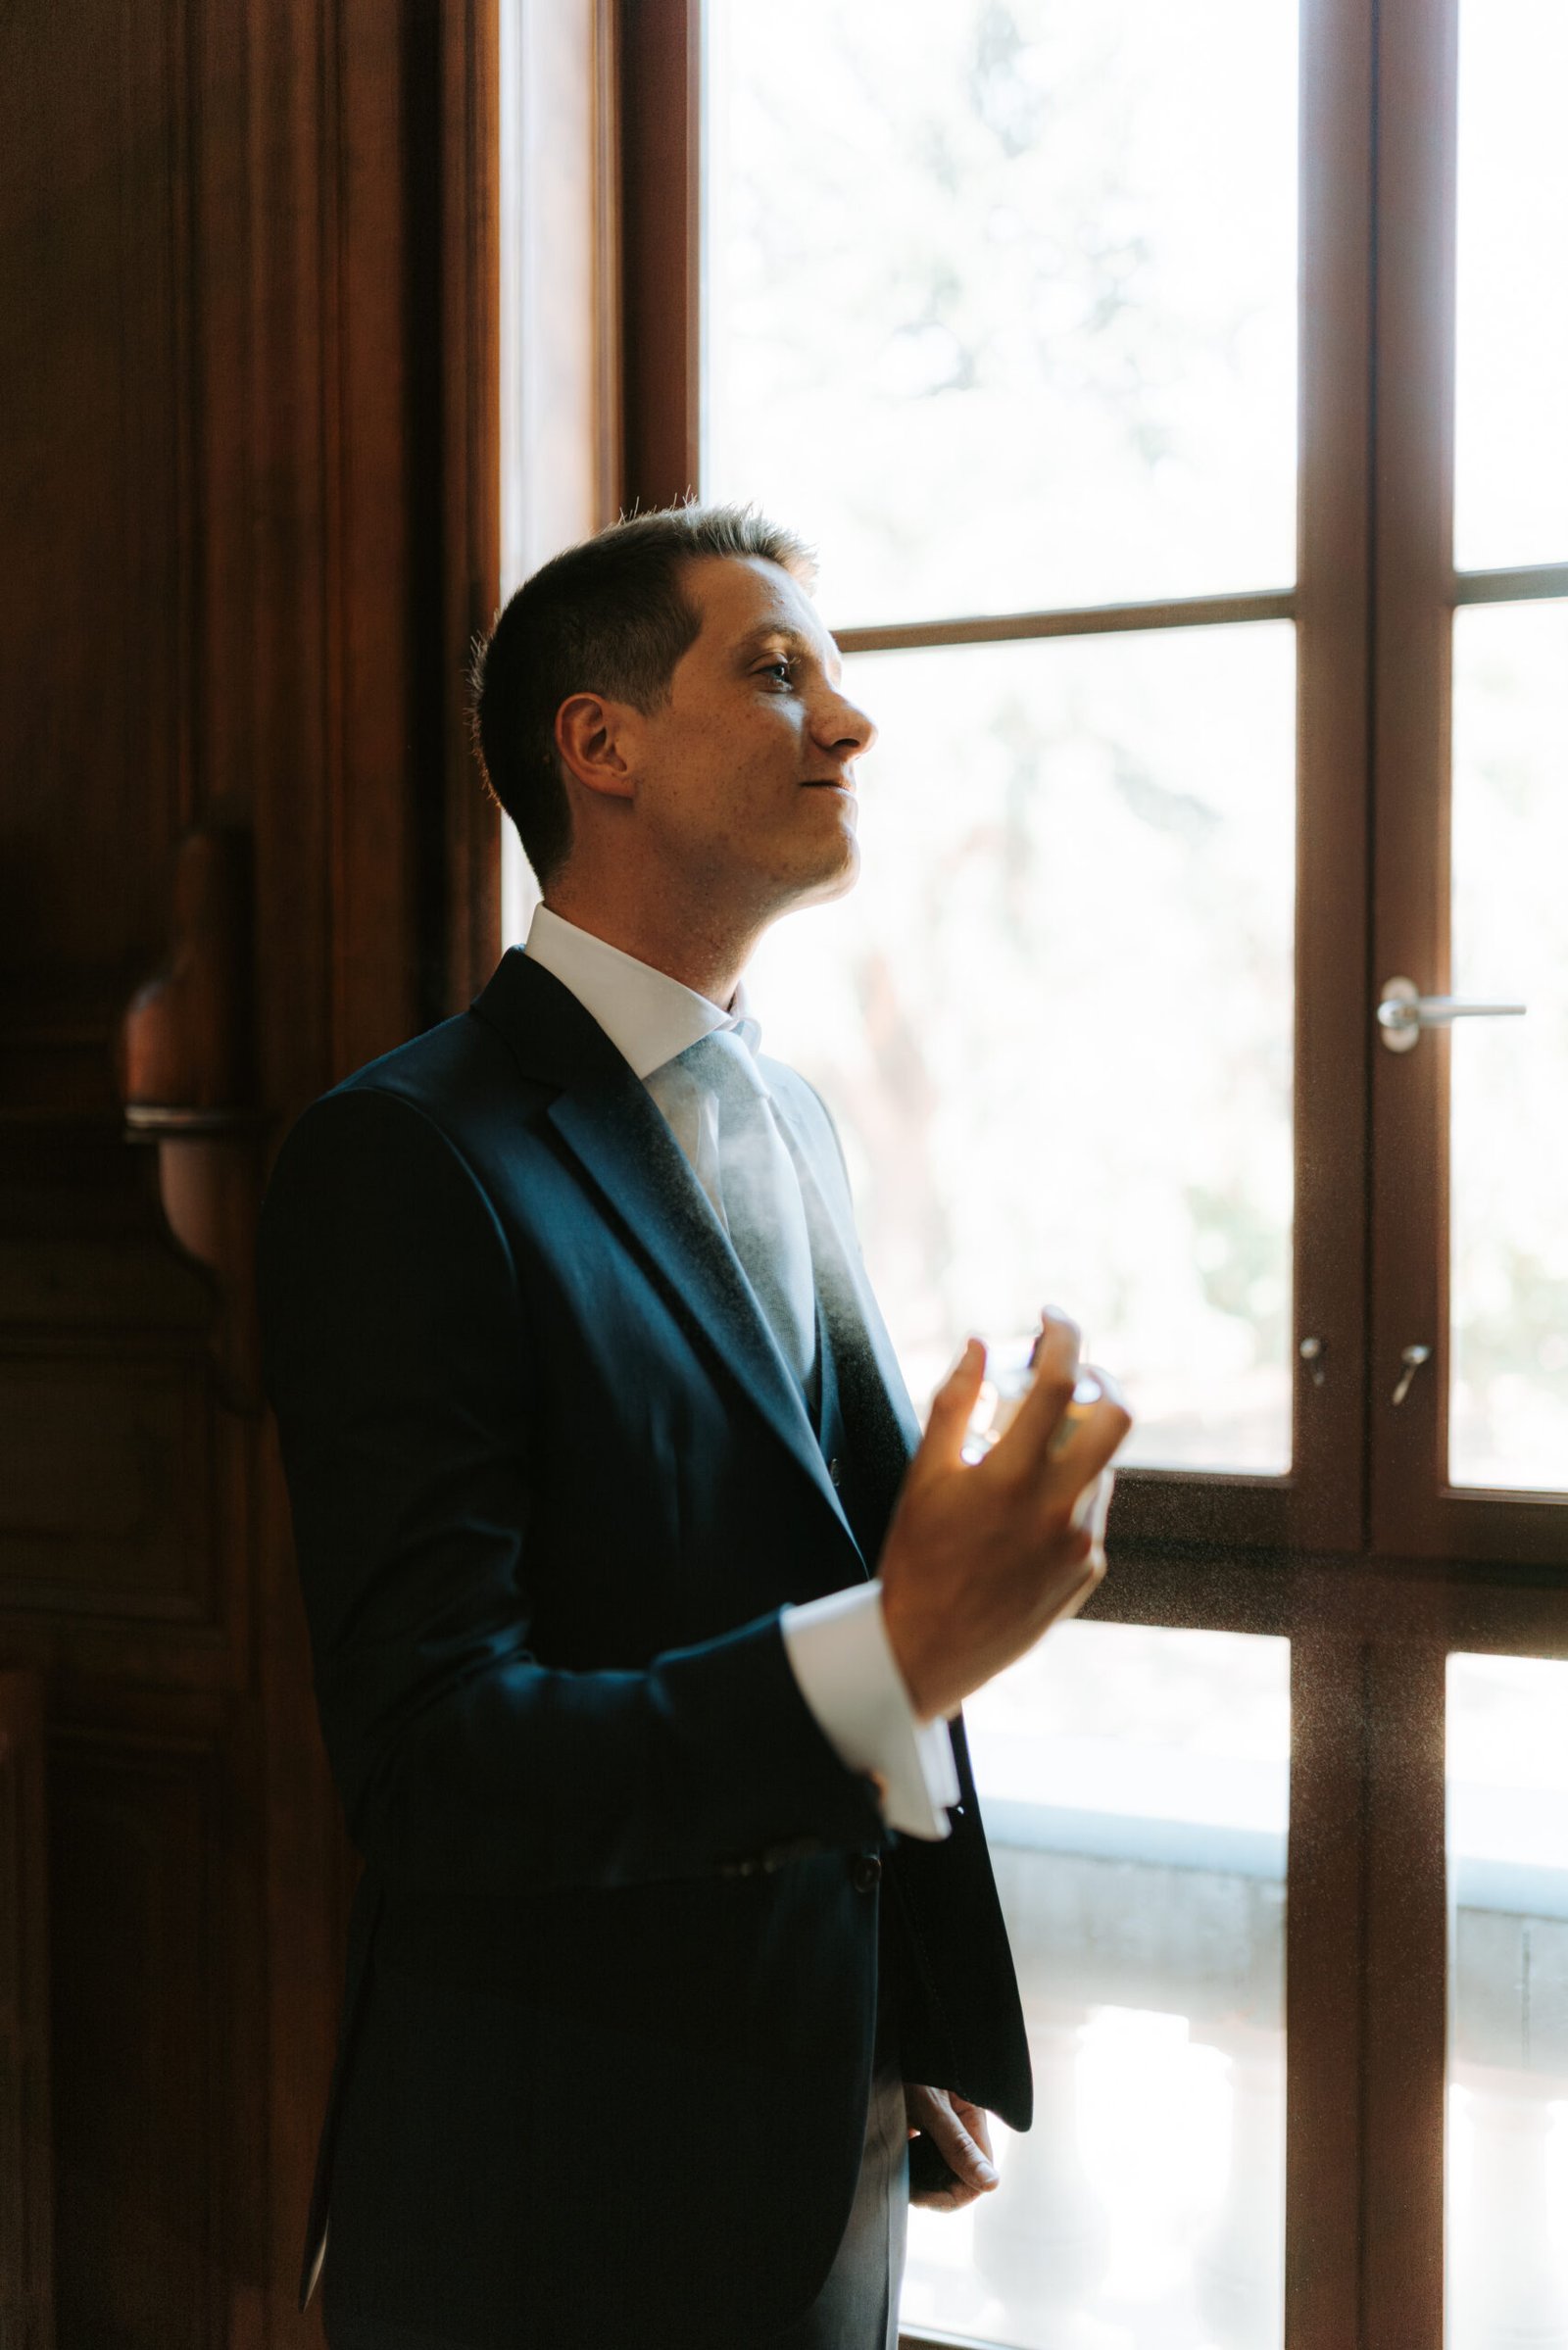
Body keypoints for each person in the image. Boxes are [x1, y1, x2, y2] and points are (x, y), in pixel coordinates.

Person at [258, 504, 1131, 2350]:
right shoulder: (403, 1157)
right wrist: (891, 1651)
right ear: (602, 743)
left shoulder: (791, 1114)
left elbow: (795, 1544)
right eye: (779, 670)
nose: (851, 721)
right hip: (553, 2198)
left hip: (827, 2128)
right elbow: (432, 1761)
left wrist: (899, 2006)